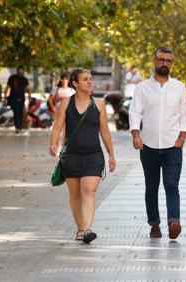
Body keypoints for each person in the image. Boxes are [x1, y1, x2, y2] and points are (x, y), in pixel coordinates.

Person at [49, 68, 116, 244]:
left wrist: (111, 155)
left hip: (93, 156)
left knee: (88, 191)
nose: (90, 82)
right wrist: (54, 143)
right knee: (75, 194)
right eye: (85, 79)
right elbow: (57, 127)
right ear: (75, 84)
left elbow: (105, 132)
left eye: (90, 79)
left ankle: (87, 229)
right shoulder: (66, 104)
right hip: (71, 156)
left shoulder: (99, 104)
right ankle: (80, 229)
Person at [128, 46, 186, 239]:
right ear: (155, 62)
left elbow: (184, 115)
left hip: (173, 146)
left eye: (168, 61)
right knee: (151, 186)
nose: (165, 63)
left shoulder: (179, 87)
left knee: (172, 184)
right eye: (161, 60)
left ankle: (174, 221)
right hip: (148, 145)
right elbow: (135, 112)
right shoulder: (142, 88)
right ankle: (154, 225)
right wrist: (136, 135)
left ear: (172, 63)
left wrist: (182, 138)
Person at [3, 66, 32, 134]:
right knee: (16, 112)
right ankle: (17, 127)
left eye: (22, 71)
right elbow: (7, 88)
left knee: (20, 113)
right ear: (17, 71)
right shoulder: (12, 78)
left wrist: (29, 97)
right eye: (19, 70)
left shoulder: (24, 79)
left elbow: (28, 89)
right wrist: (4, 97)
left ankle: (19, 127)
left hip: (21, 99)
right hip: (13, 99)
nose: (21, 72)